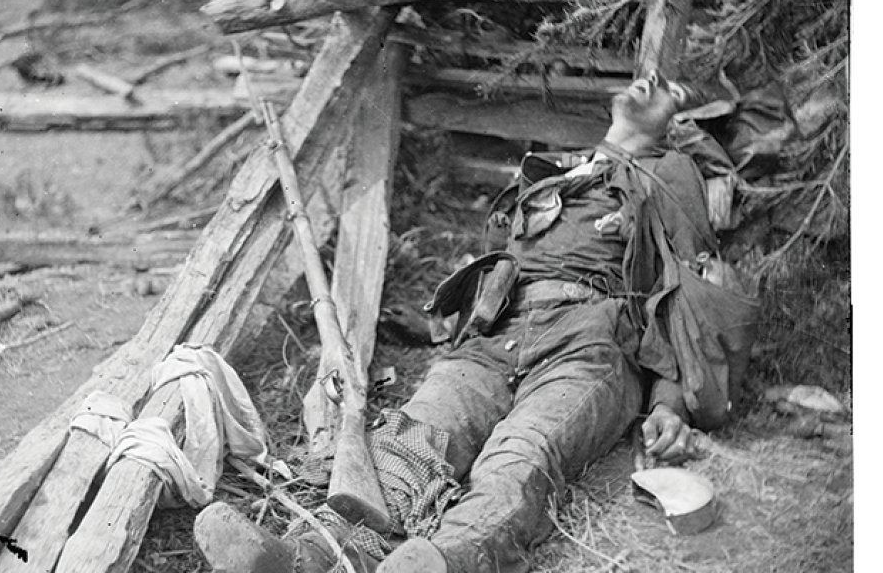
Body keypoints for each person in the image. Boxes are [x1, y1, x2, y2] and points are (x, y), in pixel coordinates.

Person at [195, 72, 758, 573]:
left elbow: (689, 302)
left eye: (668, 87)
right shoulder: (558, 171)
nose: (649, 79)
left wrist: (668, 404)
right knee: (411, 439)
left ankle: (443, 560)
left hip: (590, 342)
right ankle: (302, 556)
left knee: (520, 457)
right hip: (497, 331)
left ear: (677, 119)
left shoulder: (670, 176)